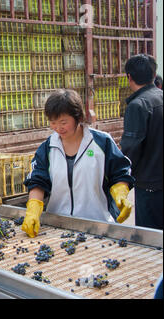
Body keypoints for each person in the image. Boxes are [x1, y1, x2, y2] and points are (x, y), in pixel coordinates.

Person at [21, 89, 135, 238]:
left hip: (98, 226)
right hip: (58, 227)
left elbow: (119, 172)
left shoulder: (101, 142)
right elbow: (38, 180)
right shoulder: (47, 148)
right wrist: (33, 209)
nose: (58, 128)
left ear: (78, 117)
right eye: (53, 122)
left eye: (63, 122)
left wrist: (121, 193)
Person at [120, 54, 163, 230]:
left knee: (150, 241)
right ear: (154, 75)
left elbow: (131, 150)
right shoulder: (160, 97)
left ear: (129, 77)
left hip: (149, 185)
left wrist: (120, 179)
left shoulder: (138, 106)